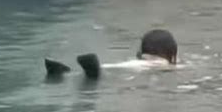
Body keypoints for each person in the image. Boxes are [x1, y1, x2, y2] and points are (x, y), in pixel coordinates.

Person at [44, 29, 178, 79]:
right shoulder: (166, 63)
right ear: (171, 53)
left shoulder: (140, 57)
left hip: (138, 62)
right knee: (119, 71)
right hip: (148, 67)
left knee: (117, 66)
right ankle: (95, 71)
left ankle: (66, 72)